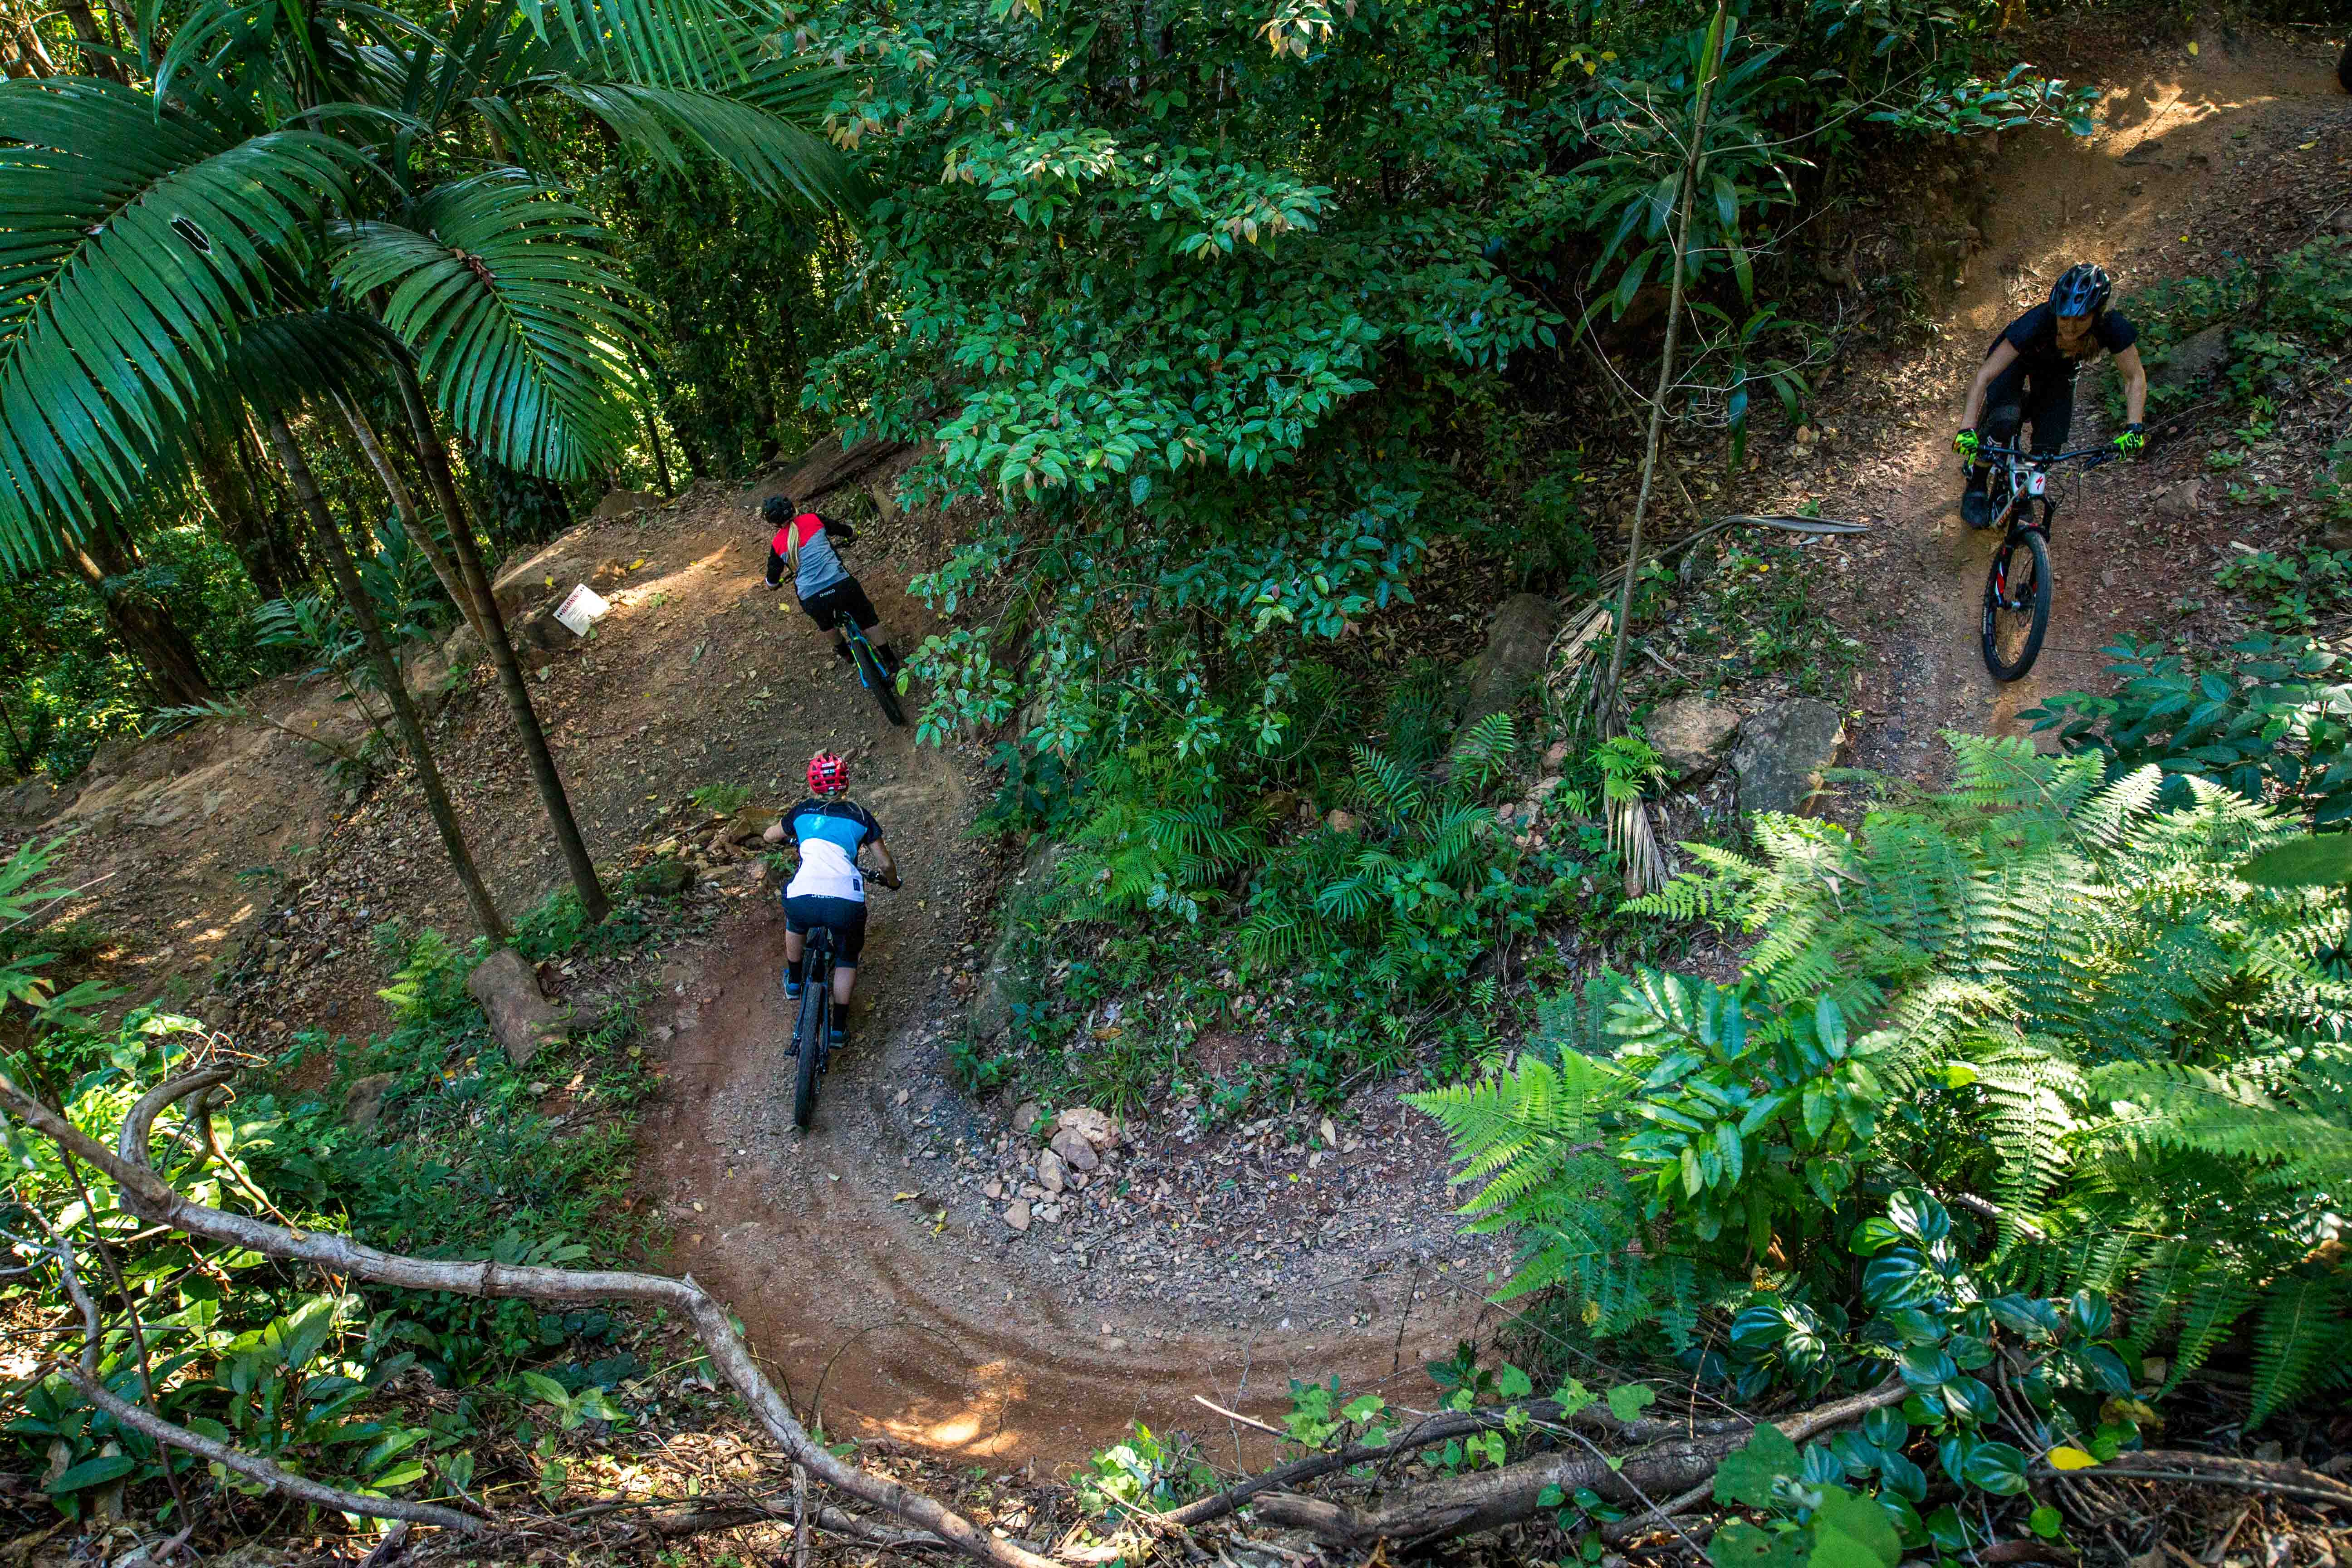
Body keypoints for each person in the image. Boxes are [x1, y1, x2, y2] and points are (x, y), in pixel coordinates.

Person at [1955, 263, 2149, 529]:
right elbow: (1984, 376)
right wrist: (1967, 428)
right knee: (2004, 421)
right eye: (2064, 318)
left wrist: (2134, 428)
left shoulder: (2111, 326)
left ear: (2097, 315)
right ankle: (1977, 482)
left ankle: (2023, 491)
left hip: (2058, 369)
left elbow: (2134, 376)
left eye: (2081, 319)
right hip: (2014, 362)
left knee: (2049, 445)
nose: (2070, 327)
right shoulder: (2038, 321)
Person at [763, 750, 901, 1053]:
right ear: (846, 784)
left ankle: (794, 982)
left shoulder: (802, 812)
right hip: (845, 902)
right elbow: (885, 864)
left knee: (795, 921)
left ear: (812, 784)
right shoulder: (860, 815)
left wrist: (787, 837)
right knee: (846, 958)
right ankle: (837, 1028)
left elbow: (770, 835)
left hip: (804, 896)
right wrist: (893, 882)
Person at [760, 495, 901, 676]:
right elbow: (844, 531)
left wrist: (774, 585)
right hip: (842, 585)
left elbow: (772, 581)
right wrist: (853, 535)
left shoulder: (778, 544)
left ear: (774, 523)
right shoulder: (814, 519)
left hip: (812, 597)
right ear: (793, 509)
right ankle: (890, 661)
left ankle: (845, 653)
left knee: (826, 624)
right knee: (867, 619)